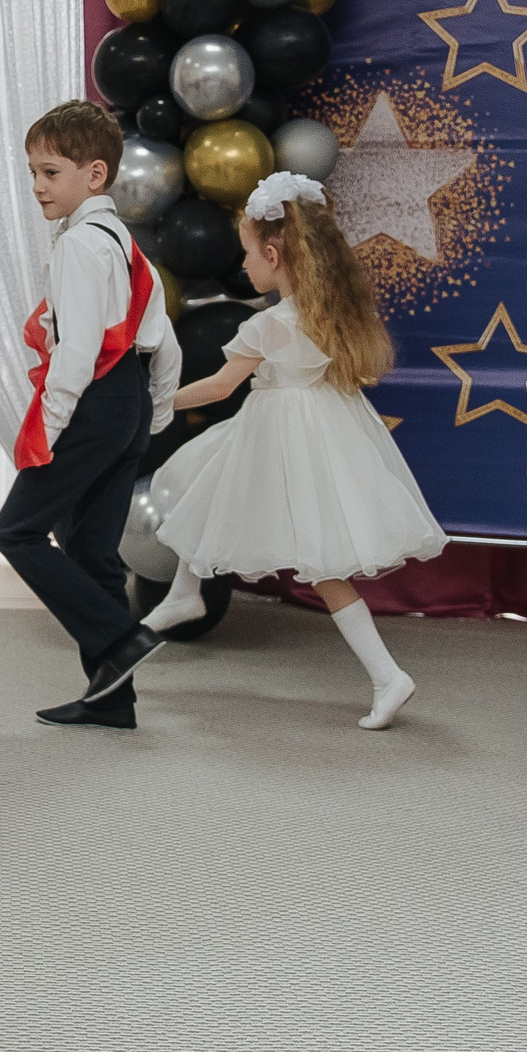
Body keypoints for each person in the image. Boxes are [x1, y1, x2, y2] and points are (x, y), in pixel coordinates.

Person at [144, 171, 444, 728]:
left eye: (248, 256)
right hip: (314, 428)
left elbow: (219, 388)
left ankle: (386, 675)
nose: (244, 267)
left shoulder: (271, 324)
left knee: (311, 557)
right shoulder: (331, 313)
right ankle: (187, 589)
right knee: (207, 481)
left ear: (275, 254)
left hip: (282, 433)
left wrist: (155, 402)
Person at [0, 101, 182, 732]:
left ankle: (121, 636)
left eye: (49, 172)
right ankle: (111, 700)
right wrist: (147, 418)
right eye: (33, 173)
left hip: (92, 401)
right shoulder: (126, 244)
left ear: (95, 175)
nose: (37, 186)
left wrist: (49, 431)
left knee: (16, 532)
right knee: (92, 551)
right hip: (128, 401)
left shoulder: (79, 245)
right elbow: (168, 344)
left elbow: (75, 352)